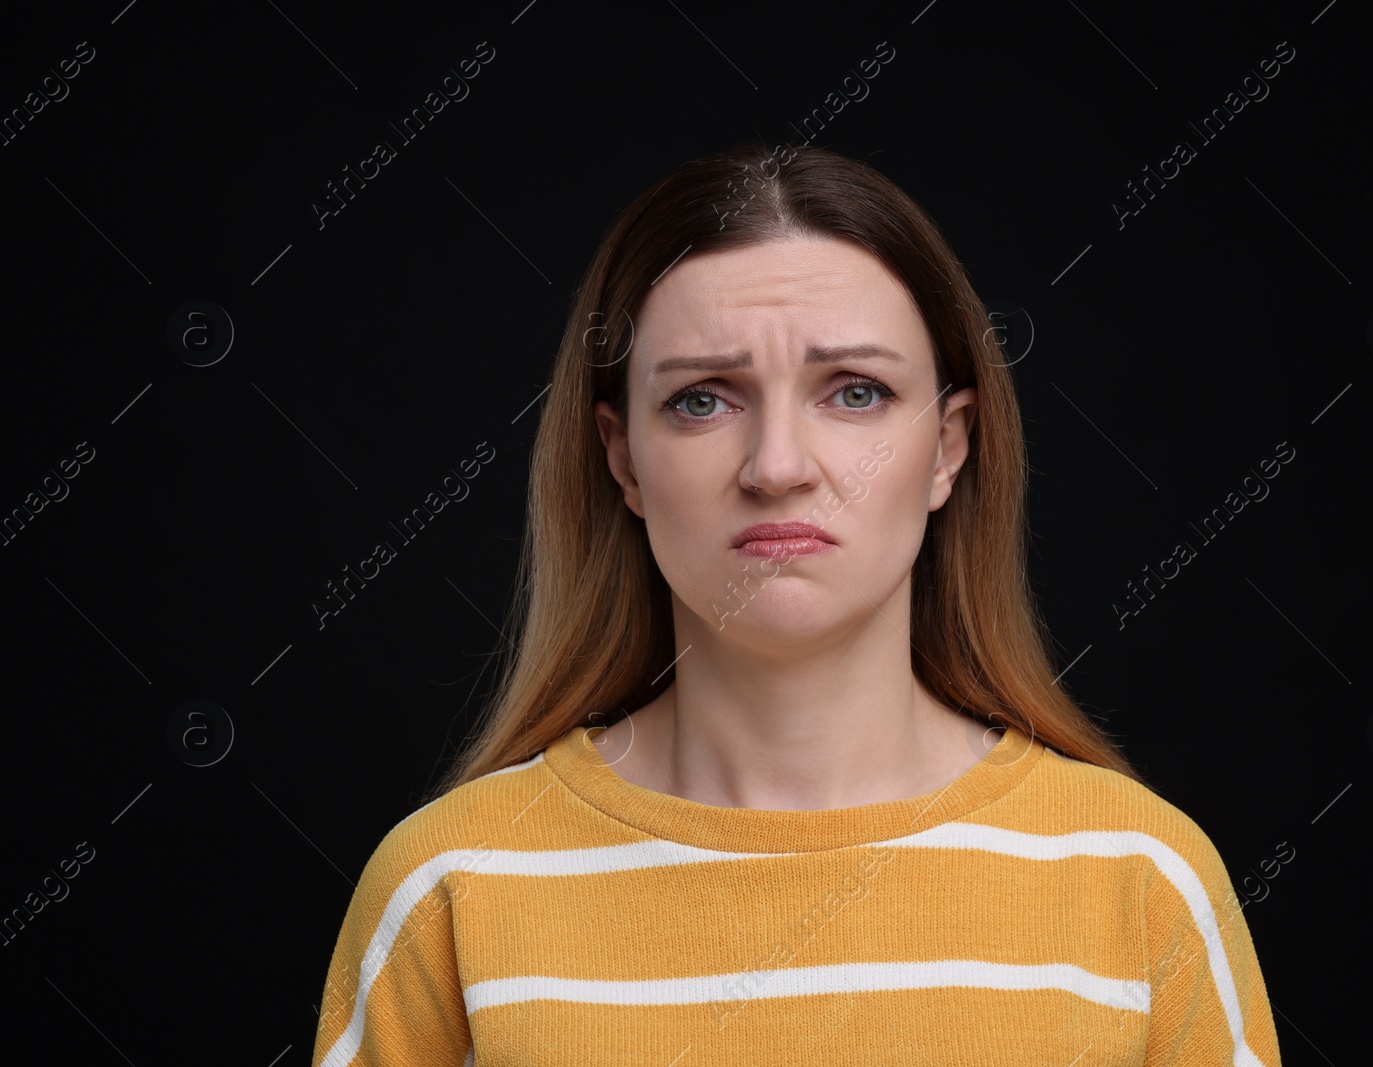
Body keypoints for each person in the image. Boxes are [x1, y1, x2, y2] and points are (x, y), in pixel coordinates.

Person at [310, 141, 1282, 1066]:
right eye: (702, 398)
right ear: (621, 457)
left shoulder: (1143, 877)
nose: (777, 466)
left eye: (854, 391)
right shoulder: (446, 888)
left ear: (947, 447)